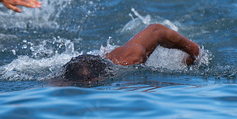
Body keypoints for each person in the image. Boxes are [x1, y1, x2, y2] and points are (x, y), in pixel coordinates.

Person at [60, 24, 200, 83]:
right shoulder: (58, 83)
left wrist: (193, 51)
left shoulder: (127, 60)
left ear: (103, 78)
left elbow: (157, 30)